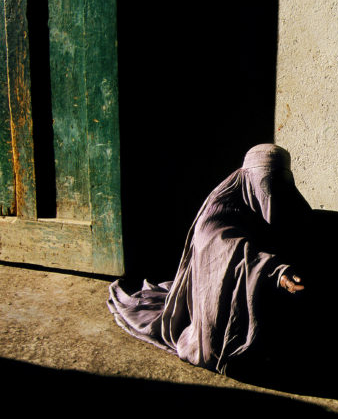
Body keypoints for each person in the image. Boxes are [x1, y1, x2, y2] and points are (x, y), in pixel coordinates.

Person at [108, 144, 312, 379]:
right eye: (267, 183)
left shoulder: (287, 199)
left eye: (281, 182)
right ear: (248, 177)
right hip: (218, 302)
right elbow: (225, 250)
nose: (273, 193)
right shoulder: (214, 214)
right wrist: (276, 271)